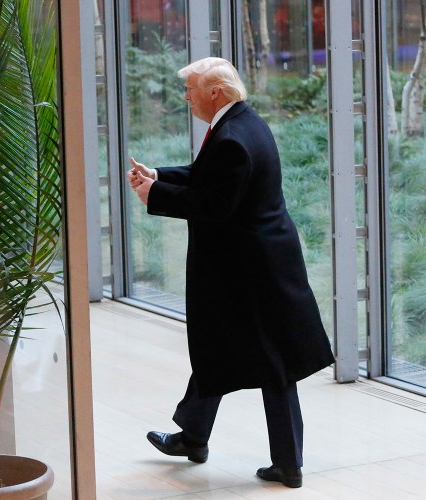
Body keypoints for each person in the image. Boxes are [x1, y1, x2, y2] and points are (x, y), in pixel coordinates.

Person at [128, 57, 335, 488]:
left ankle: (287, 464)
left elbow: (214, 206)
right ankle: (196, 437)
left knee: (268, 364)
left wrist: (155, 194)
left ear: (214, 93)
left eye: (190, 89)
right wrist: (160, 176)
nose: (185, 97)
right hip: (254, 266)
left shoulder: (232, 138)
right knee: (220, 349)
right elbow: (211, 180)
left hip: (248, 273)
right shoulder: (242, 123)